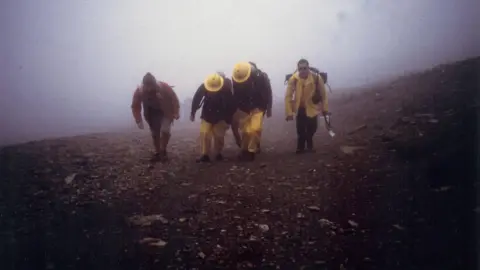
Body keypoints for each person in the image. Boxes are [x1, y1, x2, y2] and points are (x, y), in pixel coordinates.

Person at [131, 72, 180, 162]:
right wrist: (138, 120)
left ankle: (163, 150)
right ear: (144, 85)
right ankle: (158, 152)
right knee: (155, 134)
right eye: (147, 86)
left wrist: (176, 112)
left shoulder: (164, 87)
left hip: (166, 112)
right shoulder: (140, 91)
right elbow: (135, 106)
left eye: (151, 86)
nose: (149, 89)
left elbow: (174, 99)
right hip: (151, 114)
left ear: (154, 84)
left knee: (165, 131)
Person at [285, 59, 329, 153]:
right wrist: (289, 112)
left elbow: (324, 95)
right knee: (300, 129)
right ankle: (300, 147)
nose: (303, 71)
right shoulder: (293, 79)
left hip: (312, 107)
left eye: (305, 68)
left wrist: (325, 109)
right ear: (298, 69)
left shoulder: (316, 78)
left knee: (312, 128)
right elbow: (288, 96)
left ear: (308, 68)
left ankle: (309, 144)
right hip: (300, 107)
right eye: (300, 69)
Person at [190, 72, 236, 163]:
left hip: (221, 116)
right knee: (205, 133)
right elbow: (197, 98)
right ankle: (205, 154)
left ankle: (218, 153)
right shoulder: (206, 85)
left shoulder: (226, 88)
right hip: (207, 114)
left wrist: (228, 119)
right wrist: (193, 112)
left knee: (219, 136)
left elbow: (231, 105)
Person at [231, 61, 272, 161]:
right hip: (244, 108)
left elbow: (267, 92)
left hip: (258, 107)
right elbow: (236, 95)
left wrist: (268, 107)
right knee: (245, 131)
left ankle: (251, 150)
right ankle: (244, 149)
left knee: (255, 129)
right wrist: (237, 109)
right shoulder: (237, 77)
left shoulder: (261, 78)